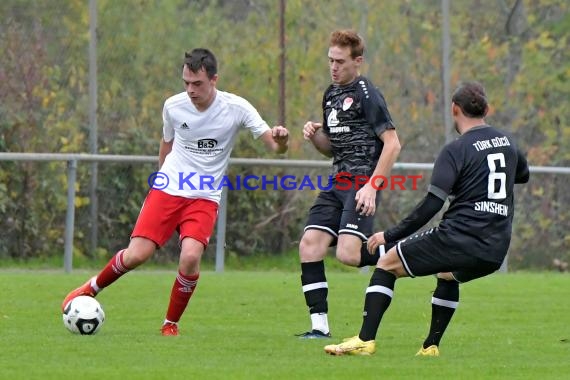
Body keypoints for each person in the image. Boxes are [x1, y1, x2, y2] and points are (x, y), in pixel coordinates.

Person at [62, 48, 289, 336]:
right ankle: (91, 288)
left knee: (191, 257)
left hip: (205, 196)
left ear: (214, 80)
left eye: (197, 84)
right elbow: (166, 143)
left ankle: (170, 324)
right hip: (169, 187)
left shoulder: (237, 107)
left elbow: (274, 147)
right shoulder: (173, 106)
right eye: (186, 83)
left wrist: (281, 140)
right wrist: (159, 180)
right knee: (136, 256)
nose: (190, 90)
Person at [324, 81, 530, 355]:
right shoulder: (508, 143)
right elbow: (522, 175)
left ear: (454, 110)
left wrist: (389, 235)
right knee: (447, 274)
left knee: (386, 263)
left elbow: (432, 204)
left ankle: (364, 341)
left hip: (459, 237)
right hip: (495, 248)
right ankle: (430, 347)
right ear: (487, 110)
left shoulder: (455, 150)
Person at [297, 29, 401, 339]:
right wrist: (316, 136)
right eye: (330, 60)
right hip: (337, 181)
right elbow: (332, 147)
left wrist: (371, 185)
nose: (333, 67)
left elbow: (393, 144)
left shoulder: (367, 91)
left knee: (348, 255)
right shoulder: (330, 94)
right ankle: (319, 328)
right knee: (309, 245)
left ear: (358, 61)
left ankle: (398, 251)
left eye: (340, 61)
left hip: (361, 181)